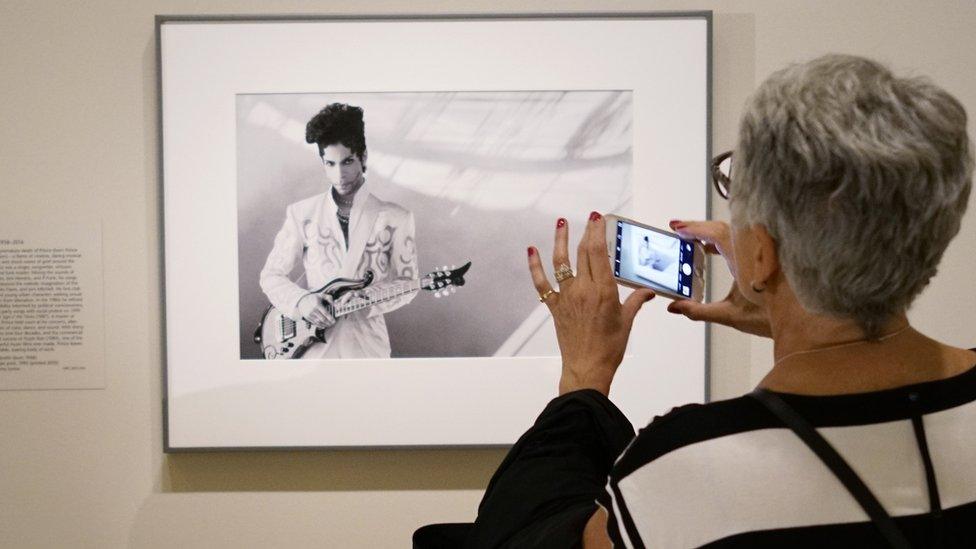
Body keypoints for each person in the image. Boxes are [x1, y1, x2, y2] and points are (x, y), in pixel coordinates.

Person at [414, 55, 974, 547]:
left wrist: (585, 378)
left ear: (761, 255)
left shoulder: (687, 468)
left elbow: (518, 537)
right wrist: (791, 311)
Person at [260, 103, 418, 358]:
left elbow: (408, 284)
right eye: (330, 164)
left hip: (368, 348)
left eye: (347, 162)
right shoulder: (302, 214)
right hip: (310, 349)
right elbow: (271, 276)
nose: (340, 174)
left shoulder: (397, 217)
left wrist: (367, 299)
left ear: (363, 157)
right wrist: (302, 301)